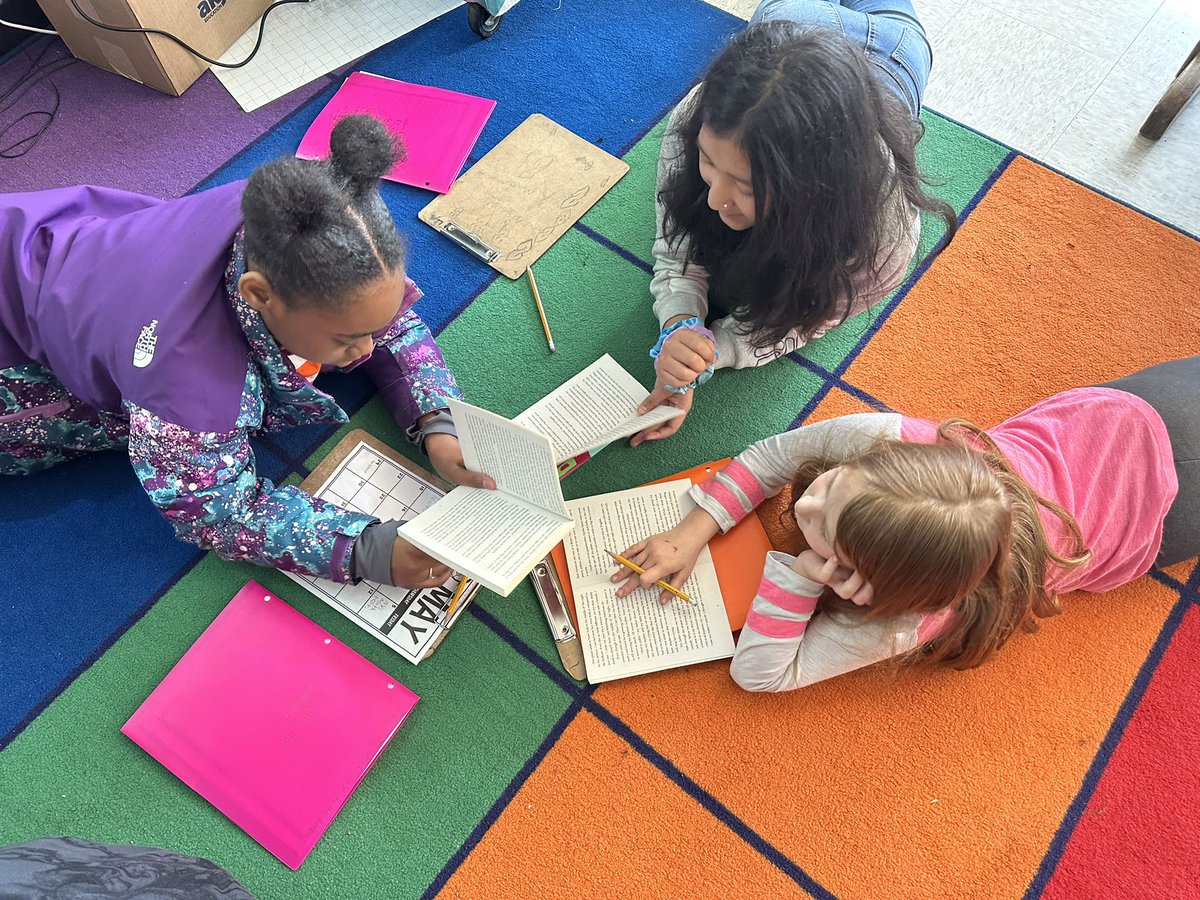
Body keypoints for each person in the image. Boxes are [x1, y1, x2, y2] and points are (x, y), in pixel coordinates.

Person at [0, 114, 492, 589]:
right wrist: (365, 549)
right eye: (346, 339)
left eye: (369, 330)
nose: (366, 348)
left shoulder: (295, 214)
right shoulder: (185, 392)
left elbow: (382, 318)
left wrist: (438, 420)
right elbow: (218, 514)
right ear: (259, 295)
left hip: (40, 242)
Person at [613, 356, 1198, 691]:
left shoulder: (900, 618)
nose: (805, 507)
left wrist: (800, 574)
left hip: (1160, 521)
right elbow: (771, 457)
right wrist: (689, 533)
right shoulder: (878, 438)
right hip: (1126, 417)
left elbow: (761, 674)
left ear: (857, 577)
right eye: (831, 487)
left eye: (826, 535)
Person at [634, 0, 957, 445]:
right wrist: (681, 324)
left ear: (816, 189)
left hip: (893, 55)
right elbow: (676, 247)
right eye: (708, 163)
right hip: (796, 24)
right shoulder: (697, 116)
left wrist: (719, 350)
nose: (714, 198)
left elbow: (808, 321)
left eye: (746, 187)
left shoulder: (886, 234)